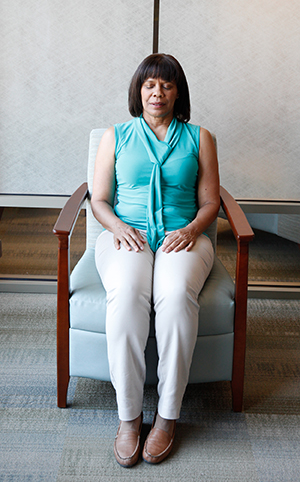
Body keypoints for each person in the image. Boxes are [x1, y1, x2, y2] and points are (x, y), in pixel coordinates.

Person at [91, 53, 220, 467]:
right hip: (126, 234)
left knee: (176, 294)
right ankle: (129, 418)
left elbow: (211, 202)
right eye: (149, 85)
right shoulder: (116, 136)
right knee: (127, 294)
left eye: (166, 84)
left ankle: (167, 416)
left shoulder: (201, 138)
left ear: (178, 91)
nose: (157, 92)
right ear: (138, 91)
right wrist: (116, 228)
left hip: (184, 236)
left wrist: (192, 230)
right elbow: (99, 200)